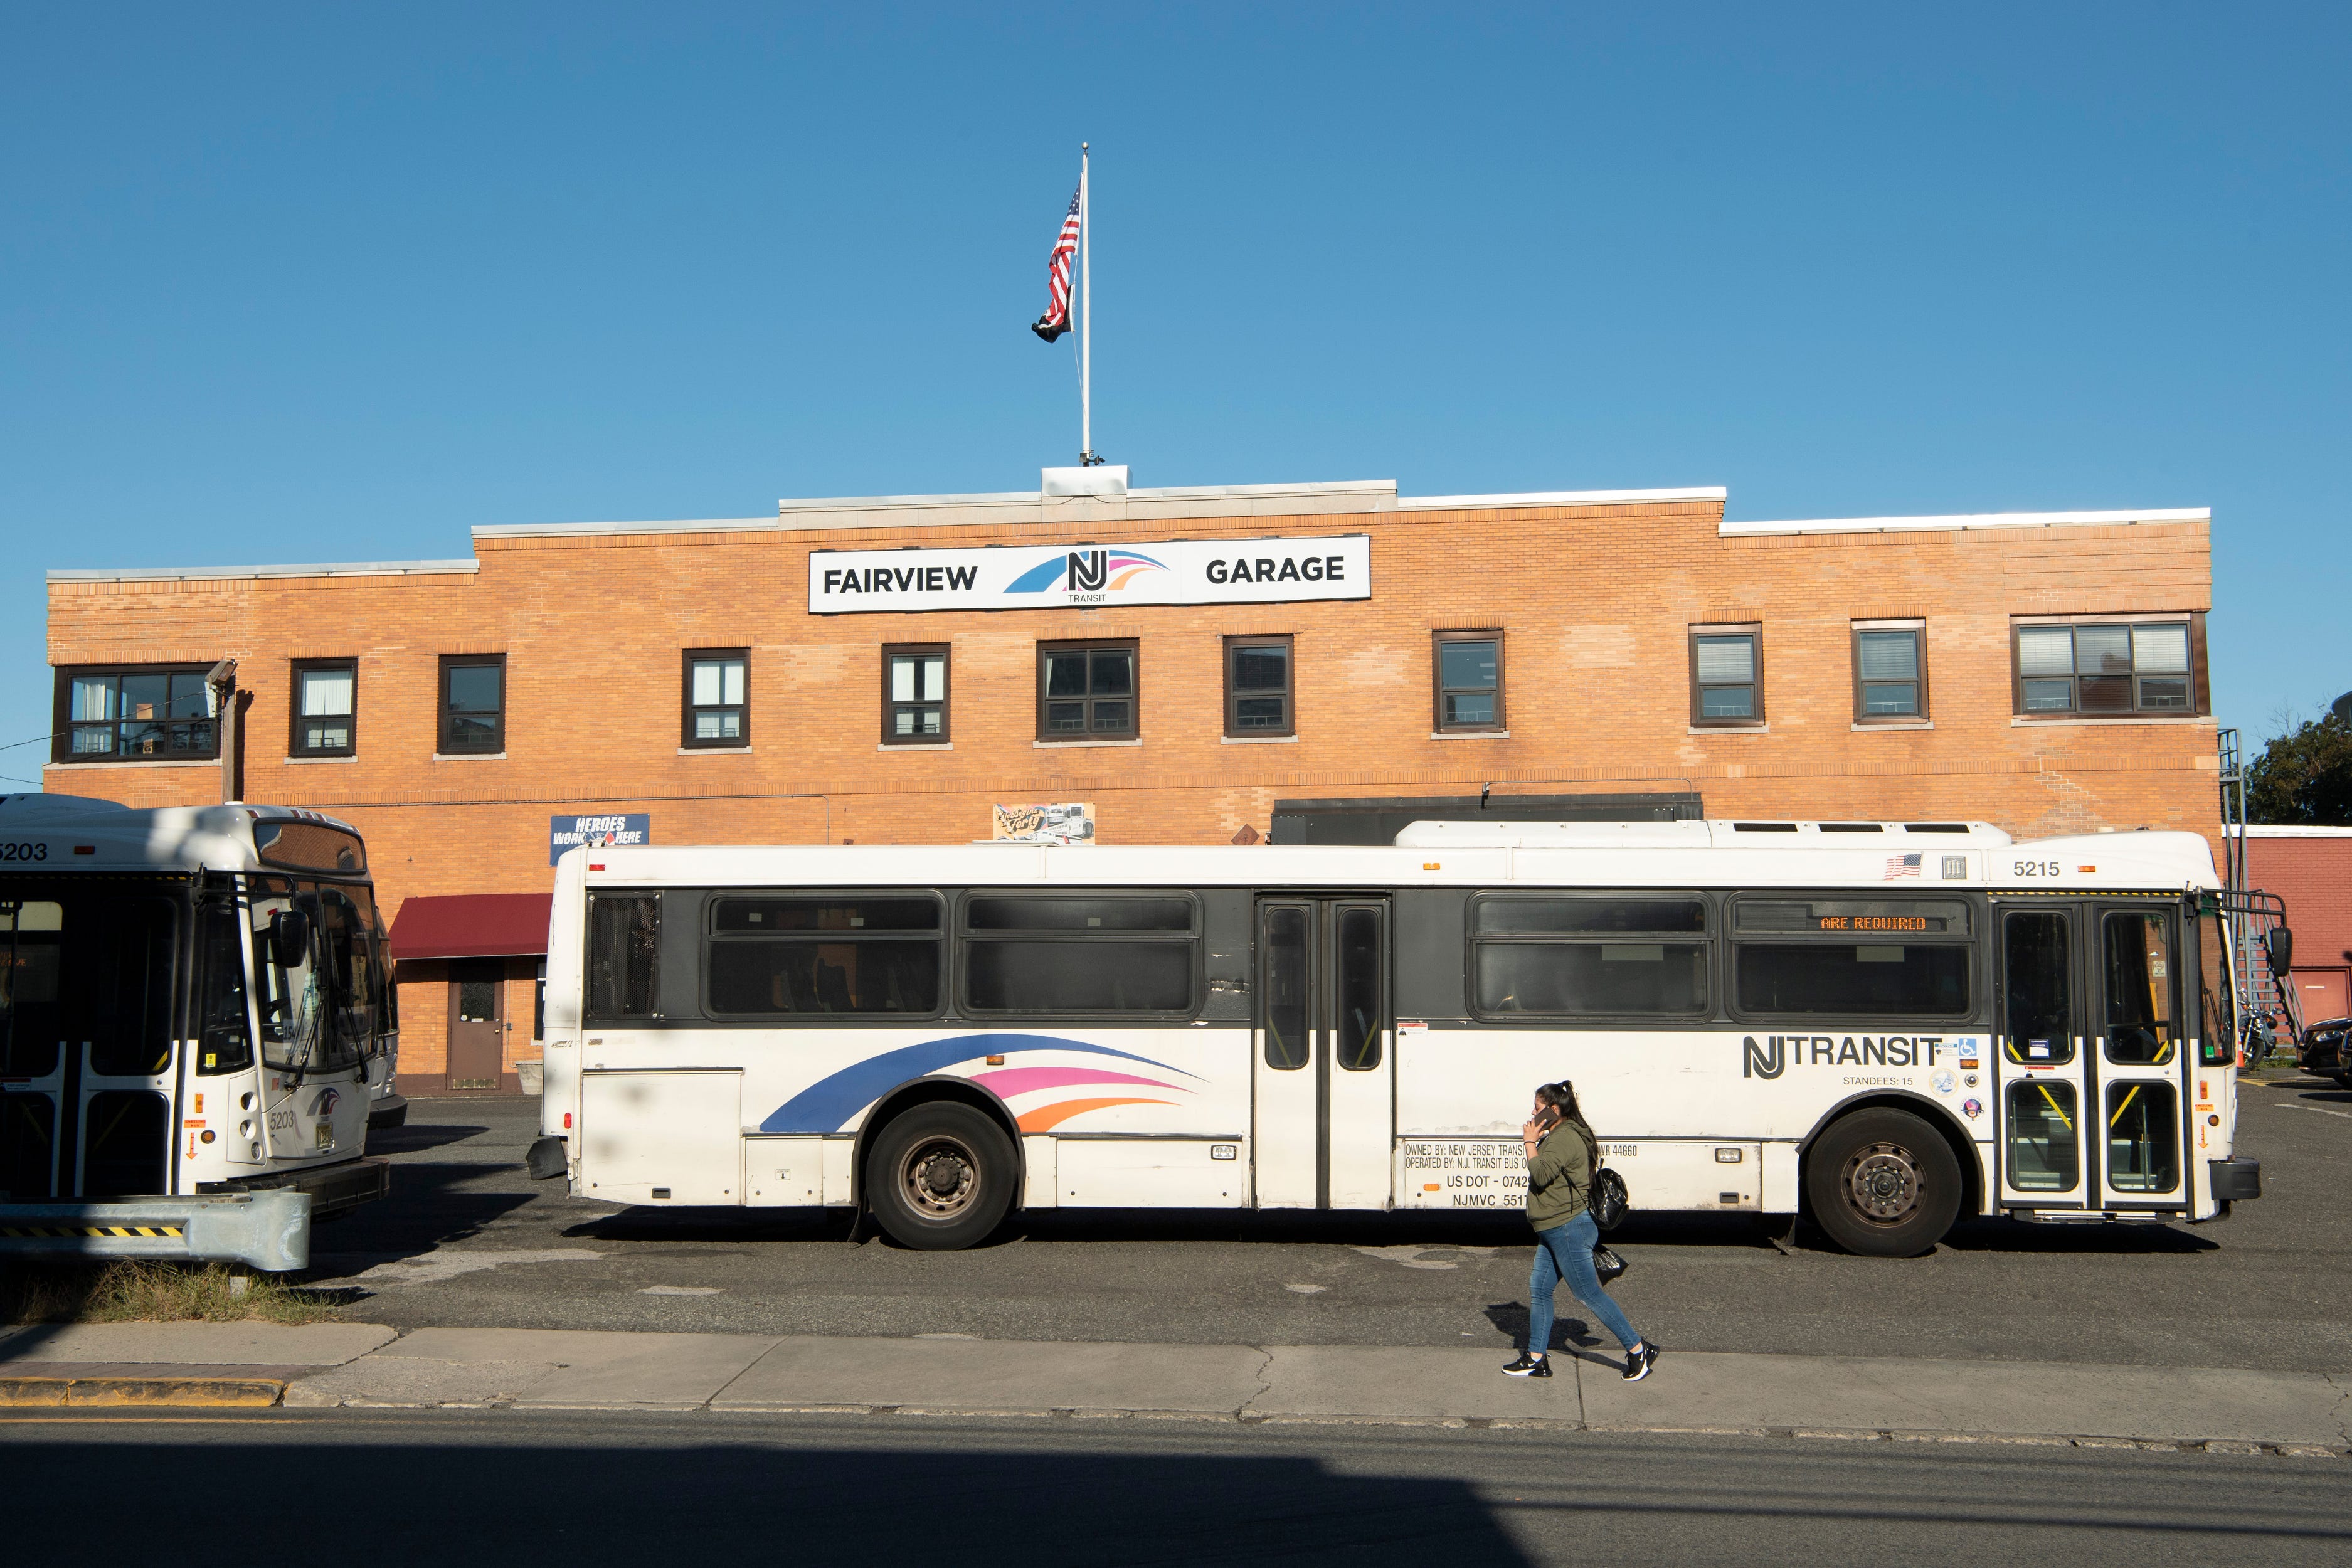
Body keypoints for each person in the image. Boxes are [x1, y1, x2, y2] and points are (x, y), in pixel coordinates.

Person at [1503, 1079, 1659, 1382]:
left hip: (1566, 1229)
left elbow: (1542, 1173)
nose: (1532, 1115)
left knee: (1588, 1293)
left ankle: (1639, 1351)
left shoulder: (1565, 1138)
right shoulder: (1564, 1133)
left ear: (1553, 1110)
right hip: (1554, 1229)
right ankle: (1536, 1358)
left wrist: (1529, 1141)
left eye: (1537, 1109)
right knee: (1540, 1290)